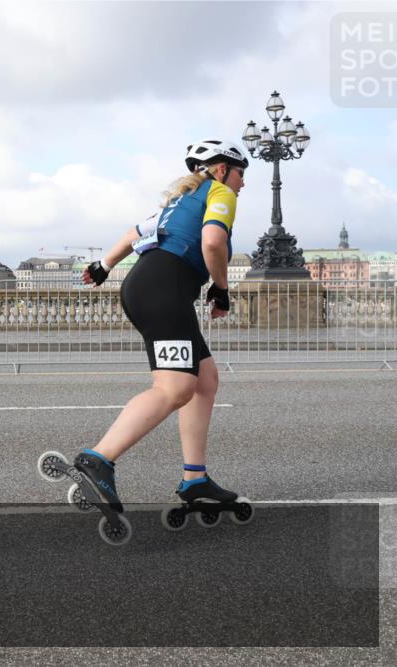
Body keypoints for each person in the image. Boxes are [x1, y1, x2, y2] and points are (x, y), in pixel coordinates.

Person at [74, 139, 249, 516]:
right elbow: (214, 243)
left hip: (149, 287)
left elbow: (129, 234)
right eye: (240, 173)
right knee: (175, 387)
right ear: (222, 170)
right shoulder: (219, 192)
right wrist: (221, 289)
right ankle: (98, 458)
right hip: (164, 291)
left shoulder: (178, 203)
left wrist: (102, 267)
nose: (242, 183)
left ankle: (195, 477)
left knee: (204, 379)